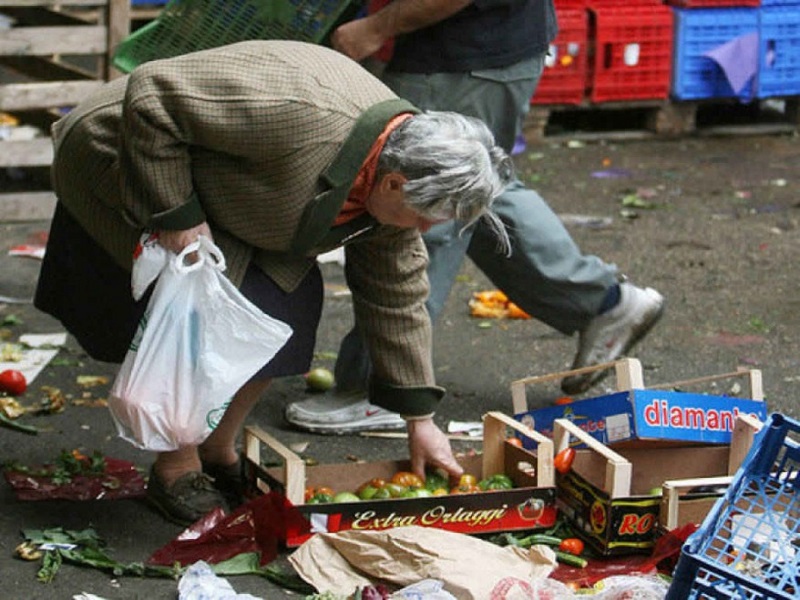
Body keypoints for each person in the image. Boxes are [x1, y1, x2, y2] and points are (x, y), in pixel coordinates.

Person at [33, 40, 514, 526]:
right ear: (393, 184)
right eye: (426, 216)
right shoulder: (298, 115)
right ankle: (176, 466)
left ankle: (218, 445)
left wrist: (420, 421)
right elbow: (153, 95)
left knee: (289, 305)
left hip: (237, 190)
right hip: (126, 150)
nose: (425, 230)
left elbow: (397, 297)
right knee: (210, 305)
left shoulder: (396, 183)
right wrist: (175, 213)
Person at [284, 0, 665, 434]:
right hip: (476, 49)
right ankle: (601, 303)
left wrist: (377, 26)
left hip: (466, 53)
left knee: (419, 205)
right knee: (468, 190)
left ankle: (382, 390)